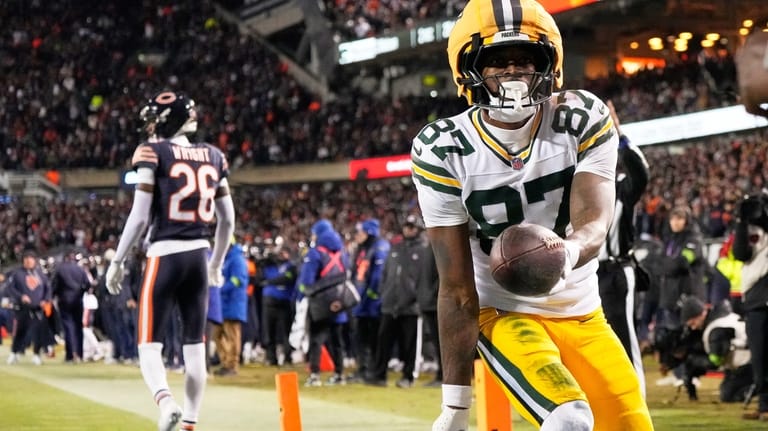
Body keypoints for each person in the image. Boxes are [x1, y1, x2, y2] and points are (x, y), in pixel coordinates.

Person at [411, 1, 654, 429]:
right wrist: (456, 403)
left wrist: (566, 254)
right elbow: (455, 289)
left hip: (580, 307)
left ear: (549, 62)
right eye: (496, 62)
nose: (512, 73)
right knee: (570, 420)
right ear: (469, 70)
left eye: (525, 59)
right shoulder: (441, 148)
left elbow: (594, 222)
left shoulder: (581, 116)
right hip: (502, 313)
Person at [105, 91, 235, 431]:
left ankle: (165, 404)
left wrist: (117, 261)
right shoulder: (214, 154)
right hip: (199, 255)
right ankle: (191, 422)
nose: (149, 126)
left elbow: (138, 216)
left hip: (164, 254)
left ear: (166, 121)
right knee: (195, 348)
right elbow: (229, 220)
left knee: (149, 343)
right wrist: (216, 264)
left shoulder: (152, 151)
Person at [596, 101, 650, 396]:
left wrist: (619, 135)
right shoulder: (580, 187)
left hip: (617, 270)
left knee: (622, 331)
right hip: (589, 273)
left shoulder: (621, 186)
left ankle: (634, 399)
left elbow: (641, 174)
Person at [367, 214, 430, 388]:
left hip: (410, 307)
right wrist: (384, 293)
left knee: (409, 345)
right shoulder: (395, 248)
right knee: (383, 341)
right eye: (406, 226)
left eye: (411, 226)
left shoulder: (423, 250)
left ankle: (407, 377)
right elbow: (386, 274)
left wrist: (415, 298)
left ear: (418, 229)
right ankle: (379, 375)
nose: (408, 229)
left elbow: (423, 280)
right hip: (389, 304)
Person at [298, 219, 351, 386]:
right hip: (339, 301)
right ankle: (339, 374)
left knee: (317, 339)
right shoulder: (343, 252)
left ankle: (315, 375)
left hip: (320, 303)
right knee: (337, 341)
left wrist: (303, 293)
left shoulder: (315, 253)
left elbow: (307, 280)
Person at [732, 192, 768, 421]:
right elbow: (740, 253)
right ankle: (765, 406)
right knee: (760, 357)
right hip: (755, 298)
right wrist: (742, 221)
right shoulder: (748, 230)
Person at [348, 218, 390, 382]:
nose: (357, 235)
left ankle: (370, 371)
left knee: (372, 339)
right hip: (362, 303)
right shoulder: (365, 248)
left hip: (372, 304)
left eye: (360, 232)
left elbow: (377, 278)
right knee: (360, 338)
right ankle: (363, 369)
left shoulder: (379, 247)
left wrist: (370, 298)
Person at [6, 249, 52, 366]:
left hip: (38, 308)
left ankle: (37, 354)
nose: (29, 262)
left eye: (31, 259)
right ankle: (14, 352)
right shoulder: (17, 274)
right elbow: (10, 289)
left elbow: (48, 288)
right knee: (21, 331)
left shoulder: (40, 274)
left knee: (39, 332)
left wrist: (45, 300)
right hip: (23, 308)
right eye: (26, 260)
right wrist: (21, 297)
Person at [212, 237, 250, 376]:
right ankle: (225, 362)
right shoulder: (226, 259)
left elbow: (238, 280)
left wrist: (219, 290)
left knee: (232, 335)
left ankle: (232, 365)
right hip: (223, 303)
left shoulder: (237, 260)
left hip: (233, 302)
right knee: (217, 334)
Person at [52, 249, 95, 363]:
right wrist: (80, 292)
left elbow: (54, 286)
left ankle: (70, 355)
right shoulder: (80, 269)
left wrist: (56, 295)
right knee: (78, 327)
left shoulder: (60, 269)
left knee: (68, 327)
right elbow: (88, 285)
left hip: (64, 300)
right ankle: (79, 354)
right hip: (78, 300)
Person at [259, 244, 298, 367]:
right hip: (269, 302)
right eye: (279, 253)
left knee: (287, 331)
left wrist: (270, 282)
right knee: (269, 331)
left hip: (285, 302)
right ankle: (271, 358)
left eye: (284, 252)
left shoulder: (291, 267)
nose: (282, 255)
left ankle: (288, 357)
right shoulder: (268, 266)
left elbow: (287, 278)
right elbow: (259, 279)